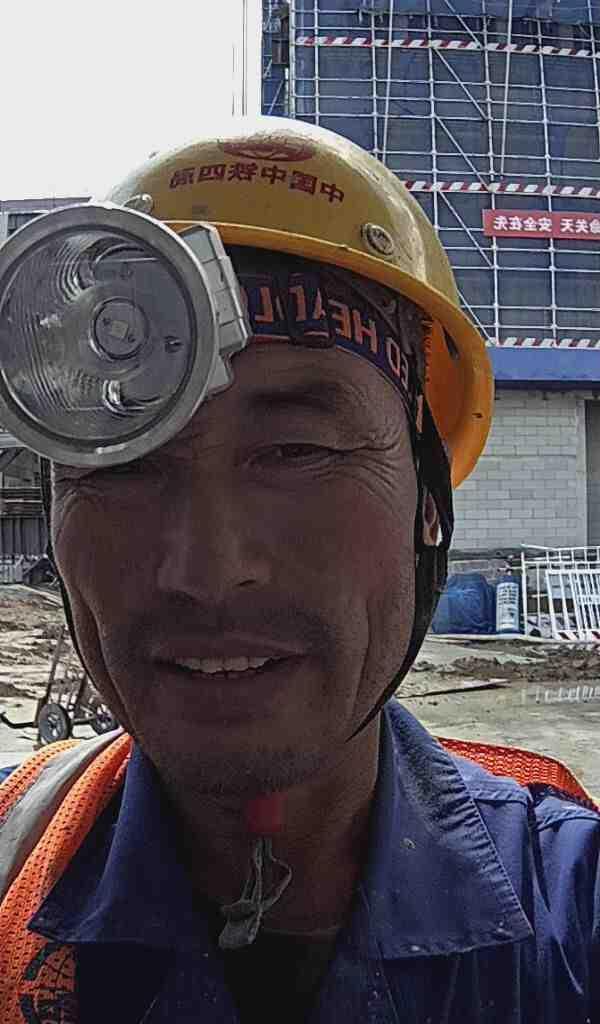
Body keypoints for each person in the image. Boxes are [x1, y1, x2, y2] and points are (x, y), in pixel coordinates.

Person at [0, 117, 599, 1024]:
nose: (207, 570)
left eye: (297, 451)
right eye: (122, 466)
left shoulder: (570, 913)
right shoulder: (17, 859)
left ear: (427, 503)